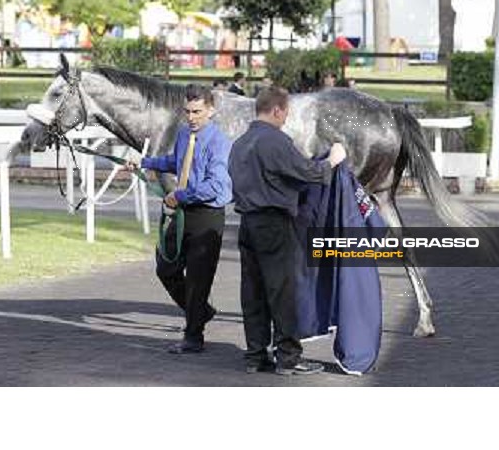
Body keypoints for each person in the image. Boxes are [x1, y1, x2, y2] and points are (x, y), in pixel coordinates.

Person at [228, 86, 347, 375]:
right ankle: (288, 358)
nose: (285, 119)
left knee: (252, 292)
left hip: (247, 224)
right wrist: (333, 160)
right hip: (275, 224)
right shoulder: (275, 141)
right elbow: (307, 172)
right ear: (278, 110)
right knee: (283, 292)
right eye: (286, 114)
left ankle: (255, 356)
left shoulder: (239, 143)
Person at [127, 85, 232, 353]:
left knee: (198, 279)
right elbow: (178, 161)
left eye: (197, 112)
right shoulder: (185, 133)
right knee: (166, 267)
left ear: (211, 110)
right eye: (187, 111)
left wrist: (181, 196)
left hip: (207, 216)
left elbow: (217, 187)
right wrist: (145, 163)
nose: (191, 117)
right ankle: (201, 312)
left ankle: (193, 337)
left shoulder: (219, 142)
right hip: (184, 211)